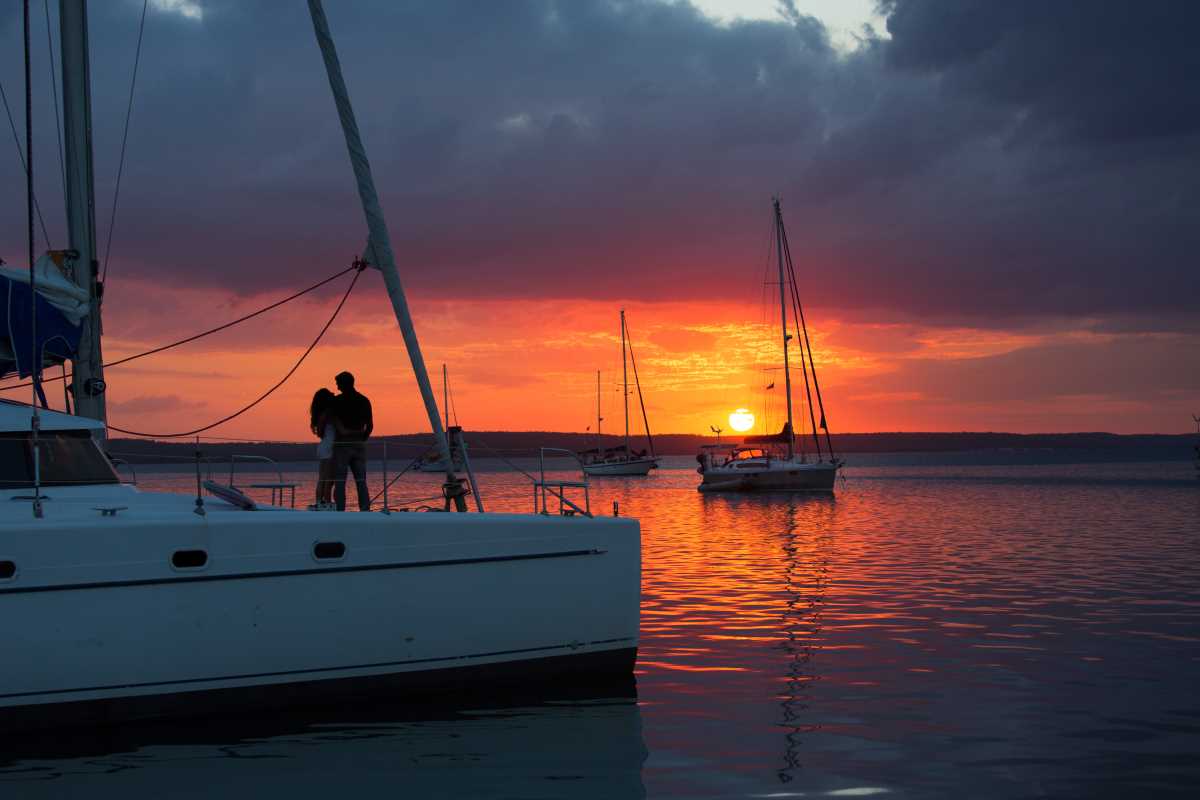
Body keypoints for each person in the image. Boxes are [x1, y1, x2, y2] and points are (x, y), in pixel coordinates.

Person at [332, 371, 373, 511]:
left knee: (340, 481)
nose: (337, 387)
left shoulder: (337, 402)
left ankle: (340, 511)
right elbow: (370, 425)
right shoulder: (364, 400)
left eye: (338, 384)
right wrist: (362, 439)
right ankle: (365, 510)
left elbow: (333, 421)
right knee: (361, 481)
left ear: (344, 384)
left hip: (342, 444)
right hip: (359, 445)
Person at [309, 388, 338, 509]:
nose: (333, 394)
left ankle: (320, 502)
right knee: (329, 479)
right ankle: (327, 502)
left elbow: (320, 433)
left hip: (324, 445)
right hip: (329, 447)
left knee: (322, 477)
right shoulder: (328, 413)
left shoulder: (321, 414)